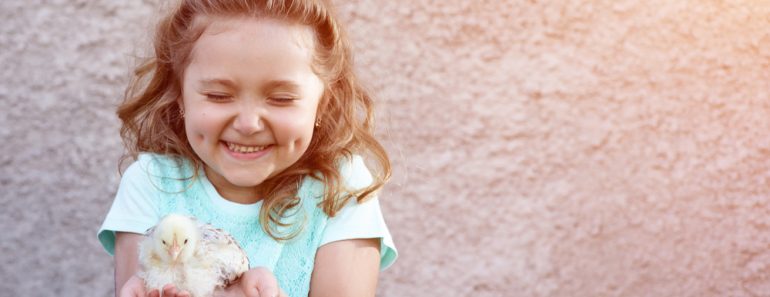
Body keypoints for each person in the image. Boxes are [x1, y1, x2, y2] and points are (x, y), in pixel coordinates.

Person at [96, 0, 397, 296]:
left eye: (281, 98)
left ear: (323, 104)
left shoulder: (341, 186)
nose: (249, 123)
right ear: (179, 96)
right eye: (218, 95)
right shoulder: (150, 182)